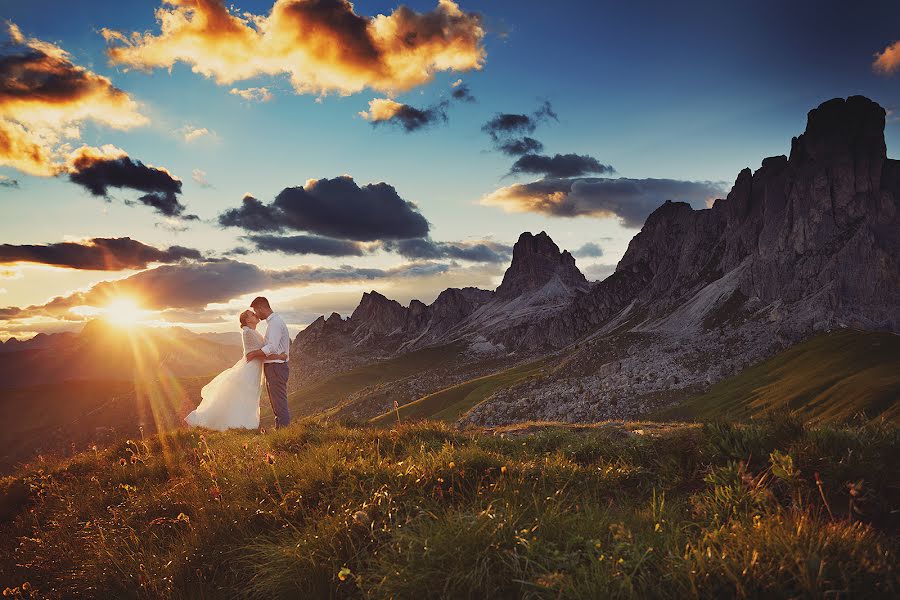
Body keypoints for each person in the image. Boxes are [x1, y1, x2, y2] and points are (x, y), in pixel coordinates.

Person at [184, 310, 286, 430]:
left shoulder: (253, 332)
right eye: (252, 314)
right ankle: (237, 424)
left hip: (255, 369)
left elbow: (261, 351)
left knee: (246, 397)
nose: (255, 315)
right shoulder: (248, 332)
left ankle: (242, 425)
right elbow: (255, 354)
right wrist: (279, 356)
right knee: (243, 396)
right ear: (248, 320)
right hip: (250, 369)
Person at [245, 296, 292, 428]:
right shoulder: (273, 323)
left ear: (261, 307)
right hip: (274, 366)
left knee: (279, 402)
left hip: (276, 368)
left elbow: (272, 347)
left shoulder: (275, 323)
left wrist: (254, 353)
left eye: (256, 310)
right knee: (276, 403)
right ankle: (281, 431)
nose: (256, 314)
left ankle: (284, 432)